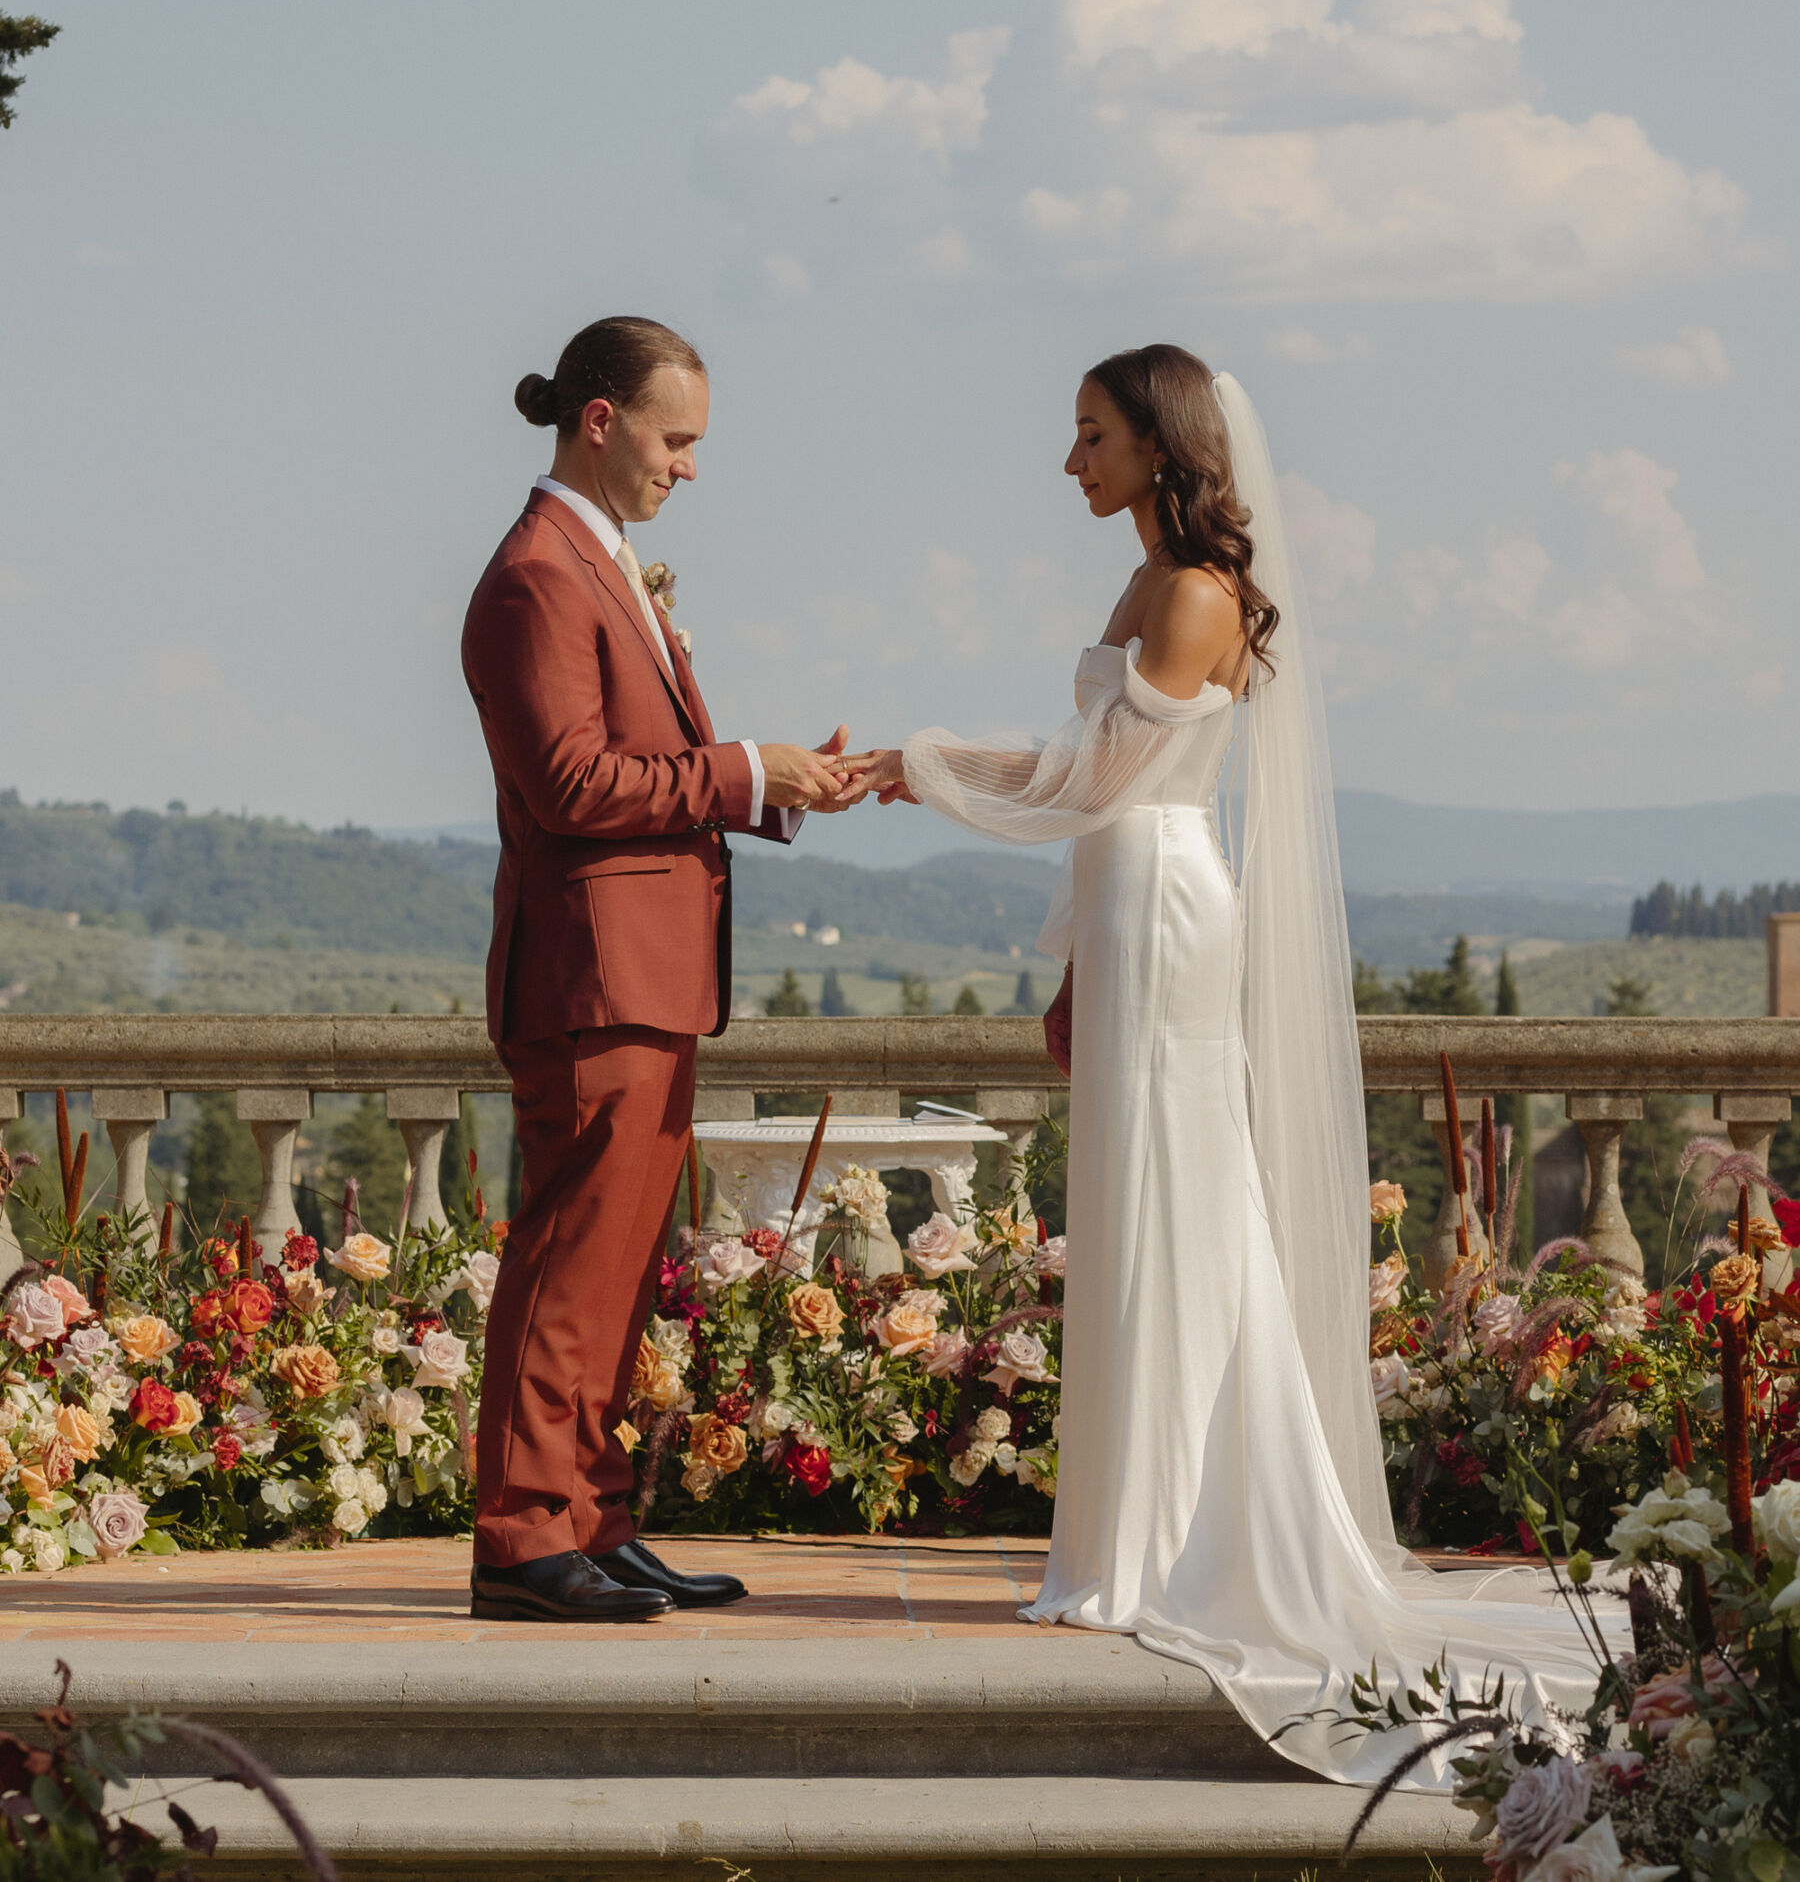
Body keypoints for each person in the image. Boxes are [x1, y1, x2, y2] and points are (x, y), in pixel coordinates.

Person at [842, 345, 1620, 1785]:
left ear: (1162, 447)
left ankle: (1186, 1529)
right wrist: (1071, 952)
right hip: (1125, 900)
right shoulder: (1143, 585)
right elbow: (1097, 786)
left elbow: (1106, 781)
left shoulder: (1194, 595)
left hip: (1169, 899)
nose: (1070, 463)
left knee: (1182, 1200)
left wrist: (921, 762)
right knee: (1140, 1203)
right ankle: (1135, 1525)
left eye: (1091, 437)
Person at [461, 315, 851, 1623]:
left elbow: (642, 766)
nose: (691, 467)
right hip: (590, 982)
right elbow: (571, 783)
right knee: (572, 1266)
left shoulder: (606, 563)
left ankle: (596, 1520)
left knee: (624, 1275)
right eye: (678, 440)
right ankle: (523, 1540)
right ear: (602, 420)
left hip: (648, 975)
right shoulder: (536, 577)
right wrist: (745, 771)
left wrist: (784, 784)